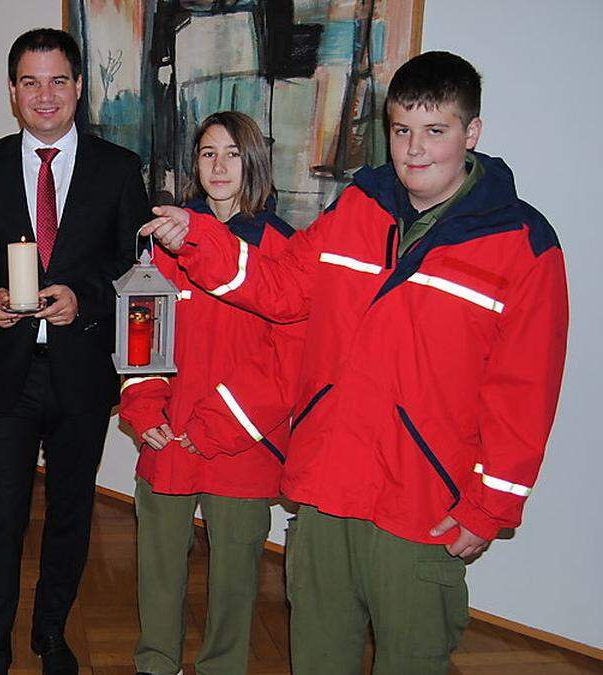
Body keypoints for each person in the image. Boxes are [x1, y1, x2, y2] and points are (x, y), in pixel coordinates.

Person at [141, 51, 569, 674]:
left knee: (412, 659)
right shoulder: (356, 210)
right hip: (324, 492)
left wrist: (489, 505)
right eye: (401, 130)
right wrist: (201, 238)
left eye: (435, 131)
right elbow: (283, 288)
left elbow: (525, 392)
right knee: (316, 656)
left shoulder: (522, 245)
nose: (414, 151)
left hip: (421, 504)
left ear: (471, 133)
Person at [0, 28, 148, 675]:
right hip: (7, 372)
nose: (45, 95)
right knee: (0, 517)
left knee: (70, 512)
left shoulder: (119, 169)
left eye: (58, 80)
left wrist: (83, 297)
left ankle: (51, 631)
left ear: (79, 86)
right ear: (12, 91)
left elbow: (134, 263)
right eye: (29, 81)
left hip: (82, 373)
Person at [119, 111, 302, 675]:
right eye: (207, 153)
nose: (219, 165)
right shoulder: (166, 244)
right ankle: (156, 663)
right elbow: (142, 335)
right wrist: (143, 406)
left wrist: (215, 428)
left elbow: (286, 365)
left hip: (242, 442)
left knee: (235, 577)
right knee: (159, 566)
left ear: (254, 160)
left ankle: (222, 666)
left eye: (231, 152)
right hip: (168, 433)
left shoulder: (283, 249)